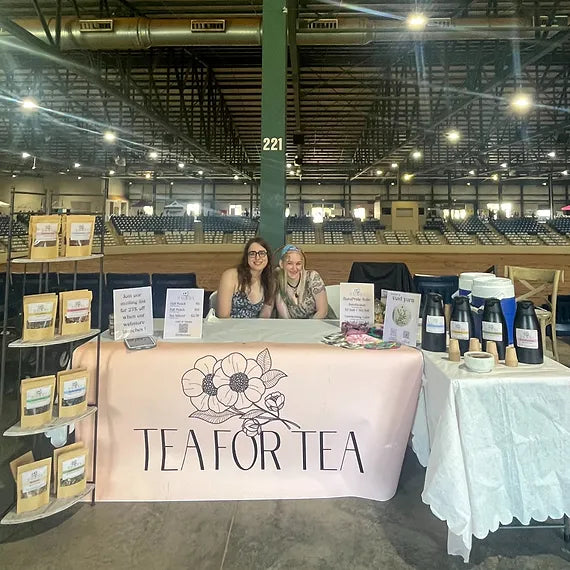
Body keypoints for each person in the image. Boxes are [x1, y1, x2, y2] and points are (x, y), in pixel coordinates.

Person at [217, 237, 275, 318]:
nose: (257, 258)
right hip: (229, 328)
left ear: (268, 256)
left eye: (262, 253)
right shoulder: (230, 276)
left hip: (254, 329)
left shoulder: (270, 281)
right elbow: (223, 316)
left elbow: (264, 317)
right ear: (246, 257)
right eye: (252, 254)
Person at [275, 245, 329, 319]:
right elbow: (286, 319)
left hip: (319, 325)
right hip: (293, 328)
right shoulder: (278, 283)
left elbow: (323, 311)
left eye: (298, 264)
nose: (294, 268)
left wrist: (308, 329)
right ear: (281, 264)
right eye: (290, 263)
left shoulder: (312, 277)